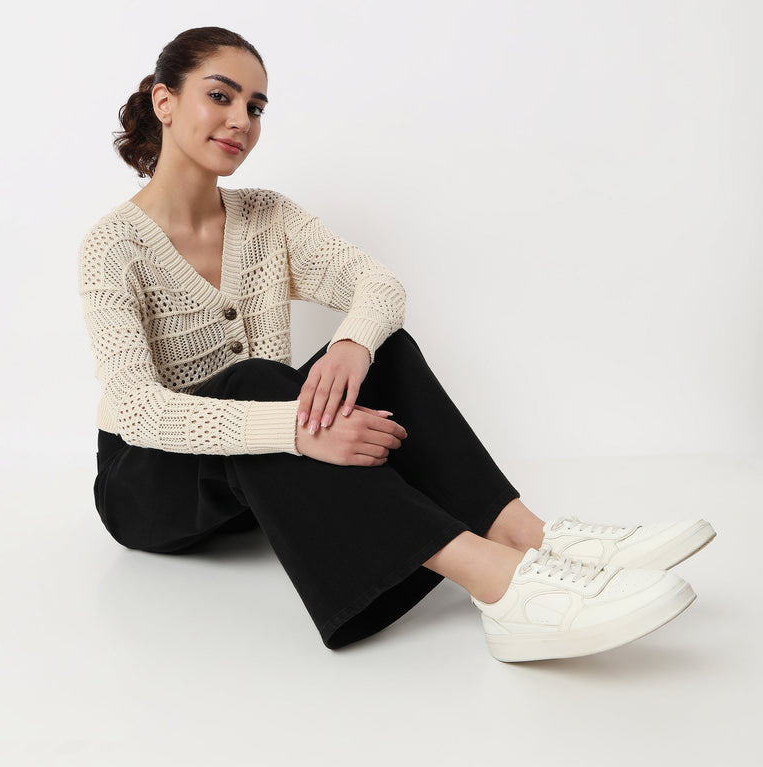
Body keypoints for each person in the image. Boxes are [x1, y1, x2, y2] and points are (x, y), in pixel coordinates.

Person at [78, 26, 716, 662]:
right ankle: (500, 585)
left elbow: (377, 285)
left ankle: (530, 536)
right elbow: (137, 409)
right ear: (165, 101)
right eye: (220, 96)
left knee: (387, 350)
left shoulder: (266, 215)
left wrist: (351, 345)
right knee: (256, 381)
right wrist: (295, 430)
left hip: (256, 478)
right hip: (149, 487)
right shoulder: (112, 246)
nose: (241, 120)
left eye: (256, 107)